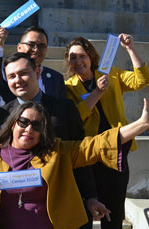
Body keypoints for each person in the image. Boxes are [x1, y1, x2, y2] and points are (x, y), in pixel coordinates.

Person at [0, 98, 149, 228]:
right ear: (12, 124)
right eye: (23, 122)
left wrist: (141, 124)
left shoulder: (58, 153)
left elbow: (97, 145)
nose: (29, 129)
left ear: (44, 131)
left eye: (37, 125)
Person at [0, 52, 110, 225]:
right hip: (14, 209)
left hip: (58, 203)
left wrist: (90, 197)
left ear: (37, 72)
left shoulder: (65, 109)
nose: (18, 80)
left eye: (23, 73)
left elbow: (80, 154)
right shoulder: (1, 114)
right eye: (11, 76)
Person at [64, 35, 149, 228]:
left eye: (81, 56)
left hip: (116, 150)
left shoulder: (110, 74)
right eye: (73, 58)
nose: (78, 61)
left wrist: (129, 49)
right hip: (89, 153)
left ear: (90, 57)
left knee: (114, 210)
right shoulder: (68, 87)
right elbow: (76, 117)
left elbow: (142, 79)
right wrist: (97, 92)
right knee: (86, 210)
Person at [0, 26, 66, 105]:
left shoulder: (56, 78)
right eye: (31, 44)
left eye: (41, 46)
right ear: (19, 47)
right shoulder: (5, 72)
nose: (36, 49)